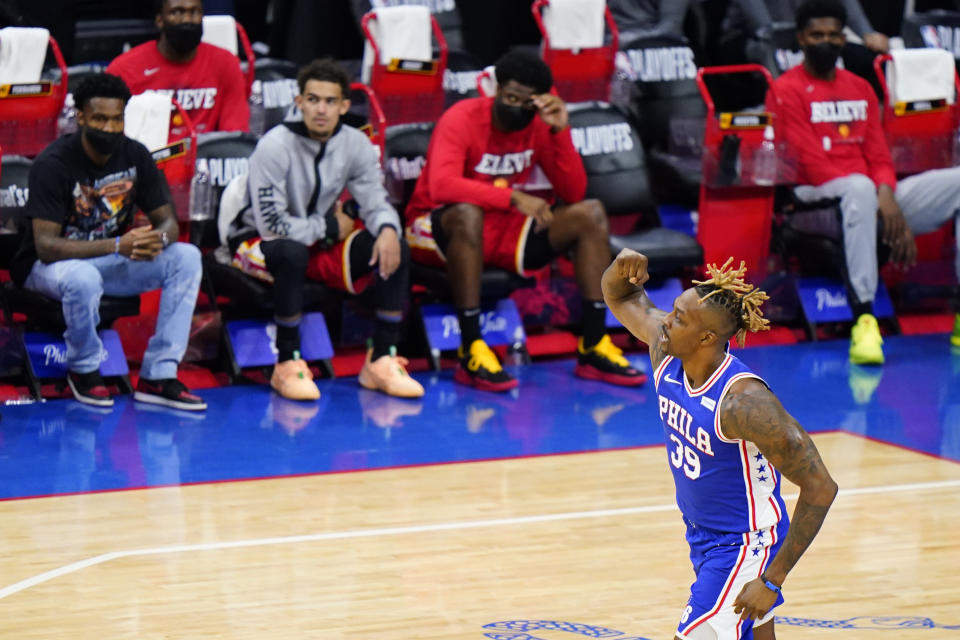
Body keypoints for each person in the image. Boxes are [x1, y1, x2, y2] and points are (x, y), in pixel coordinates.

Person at [602, 249, 838, 639]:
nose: (665, 322)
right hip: (703, 534)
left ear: (706, 337)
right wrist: (619, 266)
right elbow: (623, 297)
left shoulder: (744, 404)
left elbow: (820, 486)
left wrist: (773, 579)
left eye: (678, 318)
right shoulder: (667, 352)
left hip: (745, 544)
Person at [405, 50, 645, 392]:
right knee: (468, 214)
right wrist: (513, 197)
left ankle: (593, 344)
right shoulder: (461, 117)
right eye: (510, 97)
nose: (516, 106)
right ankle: (471, 349)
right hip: (433, 226)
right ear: (497, 90)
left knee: (589, 214)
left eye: (526, 101)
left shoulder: (538, 126)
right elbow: (442, 187)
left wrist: (560, 130)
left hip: (497, 224)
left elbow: (573, 192)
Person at [769, 0, 960, 363]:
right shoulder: (785, 89)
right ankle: (864, 320)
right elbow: (813, 166)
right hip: (814, 200)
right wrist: (878, 197)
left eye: (833, 35)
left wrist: (886, 195)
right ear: (801, 39)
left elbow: (880, 156)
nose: (825, 41)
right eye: (816, 35)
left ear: (844, 39)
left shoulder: (860, 87)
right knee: (857, 186)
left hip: (869, 194)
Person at [229, 58, 423, 401]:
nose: (321, 109)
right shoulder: (274, 145)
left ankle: (380, 359)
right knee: (289, 250)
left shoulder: (355, 144)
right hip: (258, 243)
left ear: (344, 106)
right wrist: (330, 225)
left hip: (318, 241)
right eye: (313, 99)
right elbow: (272, 226)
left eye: (330, 101)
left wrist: (389, 228)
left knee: (395, 243)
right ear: (299, 101)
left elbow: (374, 201)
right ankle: (287, 362)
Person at [10, 73, 205, 411]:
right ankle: (83, 369)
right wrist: (118, 246)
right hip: (46, 267)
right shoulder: (53, 163)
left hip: (106, 260)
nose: (110, 128)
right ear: (82, 117)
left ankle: (158, 374)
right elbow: (46, 246)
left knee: (186, 257)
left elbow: (169, 223)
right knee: (83, 277)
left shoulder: (136, 155)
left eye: (117, 119)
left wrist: (155, 239)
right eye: (100, 118)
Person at [106, 0, 250, 139]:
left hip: (206, 158)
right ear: (159, 20)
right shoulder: (124, 69)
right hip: (148, 159)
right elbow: (112, 134)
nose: (187, 19)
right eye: (177, 12)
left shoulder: (225, 63)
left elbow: (234, 134)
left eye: (194, 12)